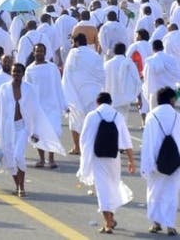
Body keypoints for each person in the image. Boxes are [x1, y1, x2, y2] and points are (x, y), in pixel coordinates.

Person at [0, 63, 63, 197]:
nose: (16, 74)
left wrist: (35, 132)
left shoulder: (29, 89)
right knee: (9, 160)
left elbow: (35, 111)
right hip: (7, 128)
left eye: (19, 72)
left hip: (22, 128)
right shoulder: (4, 88)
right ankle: (17, 185)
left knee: (18, 155)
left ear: (23, 74)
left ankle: (22, 187)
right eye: (14, 72)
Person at [77, 92, 135, 234]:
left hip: (98, 158)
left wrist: (85, 161)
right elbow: (127, 141)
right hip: (114, 157)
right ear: (110, 102)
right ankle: (111, 218)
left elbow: (84, 140)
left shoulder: (92, 116)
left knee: (102, 190)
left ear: (97, 102)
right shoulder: (118, 116)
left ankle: (108, 223)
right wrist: (131, 161)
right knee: (113, 187)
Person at [141, 86, 180, 235]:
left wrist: (147, 164)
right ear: (170, 99)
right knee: (171, 193)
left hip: (156, 161)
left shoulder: (151, 116)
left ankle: (155, 223)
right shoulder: (177, 116)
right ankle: (170, 225)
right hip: (174, 161)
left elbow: (148, 141)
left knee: (154, 192)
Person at [62, 33, 106, 155]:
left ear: (76, 42)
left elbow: (67, 74)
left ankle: (77, 147)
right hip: (93, 92)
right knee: (93, 120)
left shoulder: (73, 54)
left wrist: (67, 92)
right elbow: (101, 74)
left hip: (77, 92)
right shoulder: (95, 55)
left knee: (75, 120)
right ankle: (93, 145)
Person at [23, 43, 64, 169]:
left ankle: (51, 159)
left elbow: (59, 87)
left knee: (53, 132)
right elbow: (27, 89)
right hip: (37, 106)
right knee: (38, 133)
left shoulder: (52, 68)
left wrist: (63, 104)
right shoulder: (30, 69)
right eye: (37, 51)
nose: (39, 53)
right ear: (33, 53)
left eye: (41, 51)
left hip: (52, 106)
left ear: (45, 53)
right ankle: (41, 159)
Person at [104, 42, 142, 118]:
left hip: (111, 99)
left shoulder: (107, 65)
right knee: (123, 122)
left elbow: (102, 82)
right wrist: (139, 98)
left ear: (114, 52)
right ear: (124, 51)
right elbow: (137, 81)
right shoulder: (130, 63)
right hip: (125, 99)